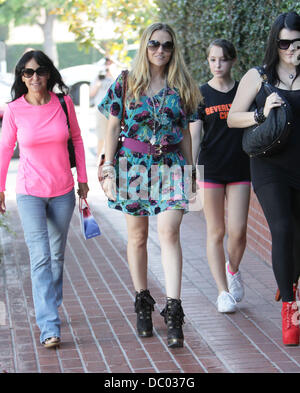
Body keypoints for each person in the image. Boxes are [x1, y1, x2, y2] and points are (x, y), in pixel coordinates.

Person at [98, 23, 201, 348]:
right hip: (134, 166)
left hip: (171, 165)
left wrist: (191, 170)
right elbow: (113, 127)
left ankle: (173, 310)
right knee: (138, 236)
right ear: (145, 46)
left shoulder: (181, 85)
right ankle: (143, 302)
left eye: (167, 45)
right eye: (154, 44)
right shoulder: (126, 82)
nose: (160, 50)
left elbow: (185, 132)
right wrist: (108, 168)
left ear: (174, 49)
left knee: (169, 232)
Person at [0, 50, 89, 348]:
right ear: (21, 77)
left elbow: (76, 139)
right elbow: (4, 149)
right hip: (29, 193)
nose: (34, 77)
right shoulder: (13, 109)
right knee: (40, 257)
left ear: (49, 73)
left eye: (39, 71)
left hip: (63, 190)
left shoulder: (63, 103)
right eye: (27, 72)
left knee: (56, 256)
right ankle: (49, 325)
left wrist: (84, 181)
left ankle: (51, 301)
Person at [227, 12, 300, 346]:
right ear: (275, 42)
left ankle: (288, 275)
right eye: (284, 43)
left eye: (297, 43)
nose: (291, 49)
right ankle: (290, 307)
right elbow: (232, 119)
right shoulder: (258, 77)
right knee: (283, 228)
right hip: (269, 166)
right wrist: (261, 112)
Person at [190, 39, 250, 313]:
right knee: (216, 231)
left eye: (223, 59)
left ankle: (233, 269)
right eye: (212, 59)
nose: (217, 65)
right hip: (211, 170)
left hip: (240, 168)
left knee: (237, 232)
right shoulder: (200, 94)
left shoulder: (244, 93)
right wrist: (191, 170)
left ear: (233, 61)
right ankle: (222, 292)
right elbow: (194, 135)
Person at [90, 58, 115, 159]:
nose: (107, 66)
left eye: (110, 64)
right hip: (101, 110)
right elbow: (91, 93)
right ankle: (98, 157)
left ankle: (110, 157)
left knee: (113, 135)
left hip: (114, 111)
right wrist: (99, 82)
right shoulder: (98, 76)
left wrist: (112, 73)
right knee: (101, 135)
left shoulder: (117, 76)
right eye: (106, 64)